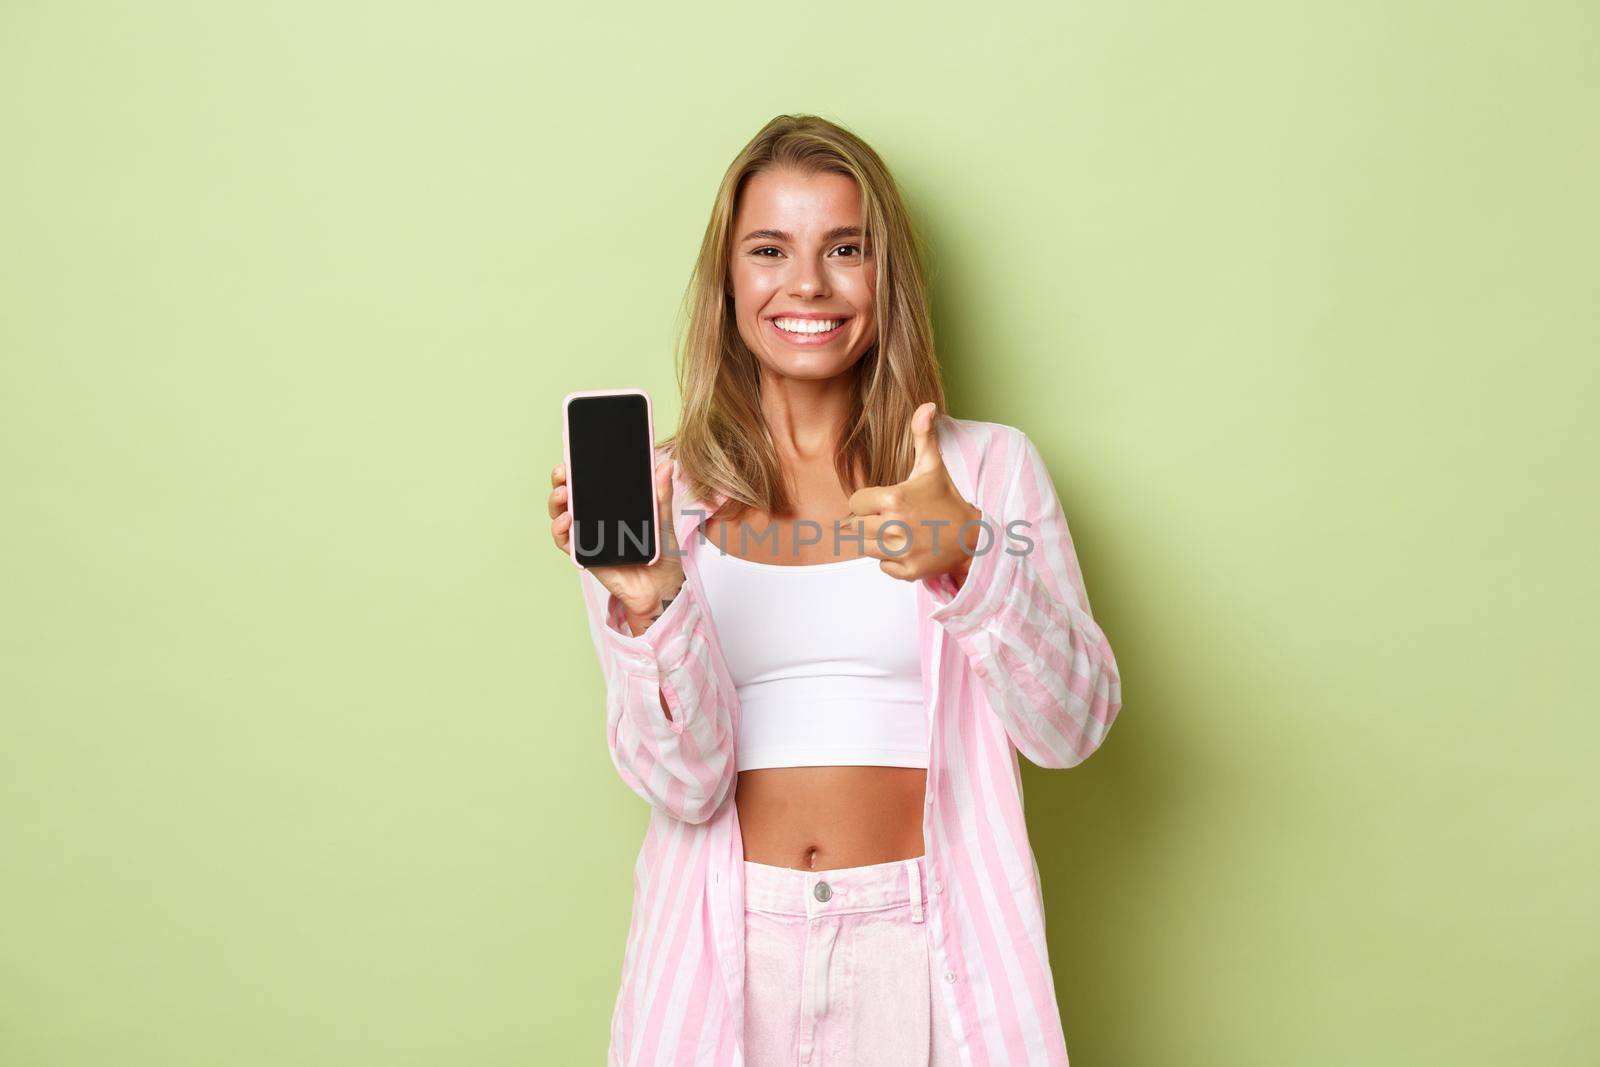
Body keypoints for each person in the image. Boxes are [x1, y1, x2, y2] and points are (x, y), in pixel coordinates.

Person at [547, 113, 1124, 1066]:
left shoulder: (986, 472)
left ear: (882, 274)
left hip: (931, 946)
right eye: (769, 249)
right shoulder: (663, 502)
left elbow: (1073, 726)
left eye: (844, 248)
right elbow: (684, 784)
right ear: (728, 280)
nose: (806, 283)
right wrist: (654, 599)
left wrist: (968, 554)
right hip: (727, 951)